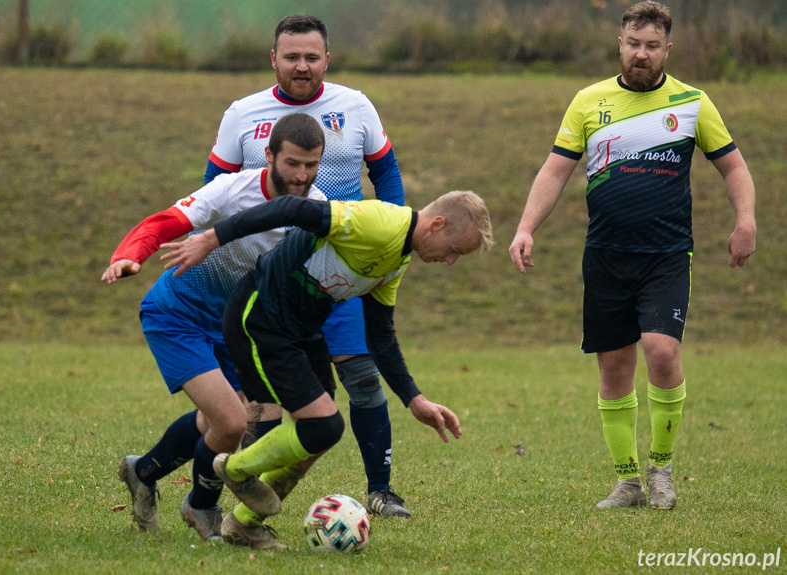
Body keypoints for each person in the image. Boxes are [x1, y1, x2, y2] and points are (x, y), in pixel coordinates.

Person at [508, 1, 756, 510]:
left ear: (667, 49)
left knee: (662, 352)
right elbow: (555, 171)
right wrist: (527, 227)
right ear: (619, 45)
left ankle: (661, 469)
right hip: (605, 255)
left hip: (666, 254)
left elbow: (733, 167)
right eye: (632, 44)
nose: (640, 54)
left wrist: (745, 220)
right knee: (614, 368)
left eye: (651, 46)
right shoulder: (587, 101)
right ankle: (627, 482)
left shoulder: (692, 101)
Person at [160, 190, 494, 548]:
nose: (451, 261)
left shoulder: (398, 260)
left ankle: (243, 524)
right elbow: (289, 207)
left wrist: (415, 399)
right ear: (437, 225)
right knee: (324, 424)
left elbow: (380, 336)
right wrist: (212, 238)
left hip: (302, 330)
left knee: (321, 435)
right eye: (455, 250)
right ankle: (236, 470)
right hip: (261, 315)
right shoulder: (379, 223)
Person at [204, 14, 412, 517]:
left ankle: (380, 490)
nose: (302, 66)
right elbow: (213, 192)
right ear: (273, 58)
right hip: (272, 281)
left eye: (311, 57)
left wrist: (394, 244)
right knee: (267, 397)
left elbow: (387, 174)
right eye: (291, 57)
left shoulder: (355, 105)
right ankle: (246, 499)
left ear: (327, 59)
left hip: (339, 276)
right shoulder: (242, 113)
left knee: (361, 375)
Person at [101, 113, 328, 539]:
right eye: (292, 163)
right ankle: (201, 507)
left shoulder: (314, 211)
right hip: (178, 314)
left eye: (311, 165)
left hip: (234, 328)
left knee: (224, 421)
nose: (300, 176)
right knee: (230, 422)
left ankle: (144, 470)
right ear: (269, 156)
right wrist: (130, 254)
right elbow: (168, 221)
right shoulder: (232, 188)